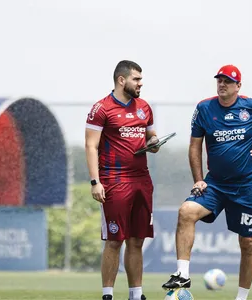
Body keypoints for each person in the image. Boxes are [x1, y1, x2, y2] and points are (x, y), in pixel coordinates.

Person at [161, 65, 252, 300]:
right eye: (219, 80)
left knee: (248, 243)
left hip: (248, 185)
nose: (222, 84)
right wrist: (199, 180)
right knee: (186, 211)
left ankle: (241, 298)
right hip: (215, 184)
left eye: (228, 81)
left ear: (238, 86)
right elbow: (195, 145)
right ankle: (182, 274)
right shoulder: (204, 108)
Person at [85, 60, 159, 300]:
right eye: (136, 79)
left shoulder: (144, 107)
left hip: (142, 180)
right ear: (121, 80)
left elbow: (151, 136)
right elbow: (91, 145)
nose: (140, 83)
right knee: (115, 240)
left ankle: (136, 294)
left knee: (136, 240)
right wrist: (95, 182)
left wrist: (154, 143)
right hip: (114, 181)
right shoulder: (102, 108)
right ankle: (108, 295)